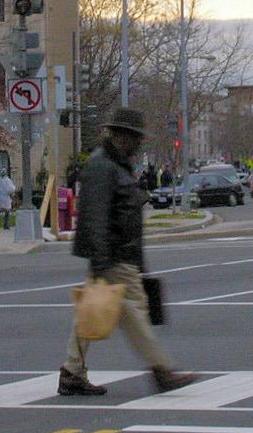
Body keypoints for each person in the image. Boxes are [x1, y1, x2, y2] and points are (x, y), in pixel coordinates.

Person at [58, 106, 196, 397]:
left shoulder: (114, 165)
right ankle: (161, 370)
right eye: (135, 136)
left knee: (93, 310)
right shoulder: (103, 166)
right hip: (113, 255)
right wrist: (100, 261)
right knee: (133, 313)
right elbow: (94, 216)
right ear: (122, 136)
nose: (139, 142)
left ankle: (72, 372)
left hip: (119, 254)